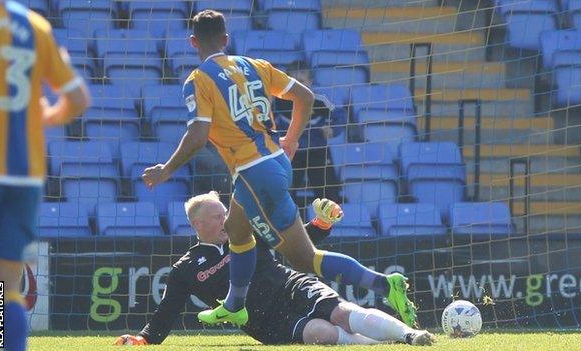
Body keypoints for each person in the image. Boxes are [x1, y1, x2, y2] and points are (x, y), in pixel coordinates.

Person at [141, 9, 416, 329]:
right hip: (273, 163)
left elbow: (198, 134)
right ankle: (234, 305)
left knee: (304, 258)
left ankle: (384, 284)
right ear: (226, 39)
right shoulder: (254, 66)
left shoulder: (198, 80)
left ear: (192, 43)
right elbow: (306, 96)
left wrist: (167, 169)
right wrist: (293, 138)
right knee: (237, 230)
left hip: (254, 171)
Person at [114, 193, 434, 346]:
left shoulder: (246, 234)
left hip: (290, 284)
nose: (224, 219)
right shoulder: (184, 268)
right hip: (263, 319)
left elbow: (293, 242)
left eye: (225, 212)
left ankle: (410, 335)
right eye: (216, 216)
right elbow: (167, 310)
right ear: (197, 224)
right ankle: (383, 345)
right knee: (320, 334)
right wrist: (145, 338)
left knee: (341, 313)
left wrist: (321, 223)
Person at [0, 1, 91, 350]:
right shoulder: (35, 27)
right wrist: (49, 115)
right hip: (23, 173)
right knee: (4, 286)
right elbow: (78, 98)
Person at [274, 61, 343, 204]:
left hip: (317, 150)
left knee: (329, 194)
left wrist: (332, 130)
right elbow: (268, 122)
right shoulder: (278, 102)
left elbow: (340, 117)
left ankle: (327, 223)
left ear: (310, 82)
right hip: (290, 151)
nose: (298, 86)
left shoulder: (320, 101)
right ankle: (289, 223)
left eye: (302, 81)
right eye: (294, 81)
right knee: (284, 192)